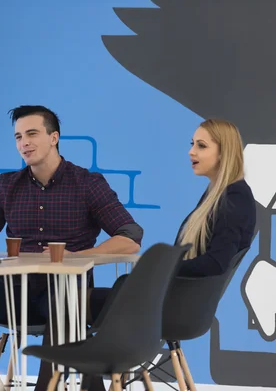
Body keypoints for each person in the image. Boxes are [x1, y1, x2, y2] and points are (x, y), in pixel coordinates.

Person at [0, 105, 144, 379]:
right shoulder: (4, 184)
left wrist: (79, 255)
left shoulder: (89, 183)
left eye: (32, 134)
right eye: (18, 137)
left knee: (62, 308)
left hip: (64, 291)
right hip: (14, 290)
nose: (24, 142)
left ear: (54, 137)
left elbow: (131, 236)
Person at [82, 119, 257, 391]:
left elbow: (216, 263)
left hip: (176, 310)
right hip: (177, 305)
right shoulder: (220, 193)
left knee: (72, 306)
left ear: (224, 152)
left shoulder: (233, 198)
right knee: (88, 299)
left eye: (201, 146)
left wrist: (159, 268)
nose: (191, 152)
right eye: (192, 144)